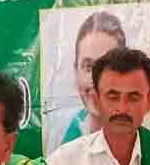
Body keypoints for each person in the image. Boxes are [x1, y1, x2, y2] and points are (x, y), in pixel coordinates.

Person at [44, 11, 125, 157]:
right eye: (89, 67)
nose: (97, 80)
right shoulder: (59, 145)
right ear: (76, 71)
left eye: (108, 67)